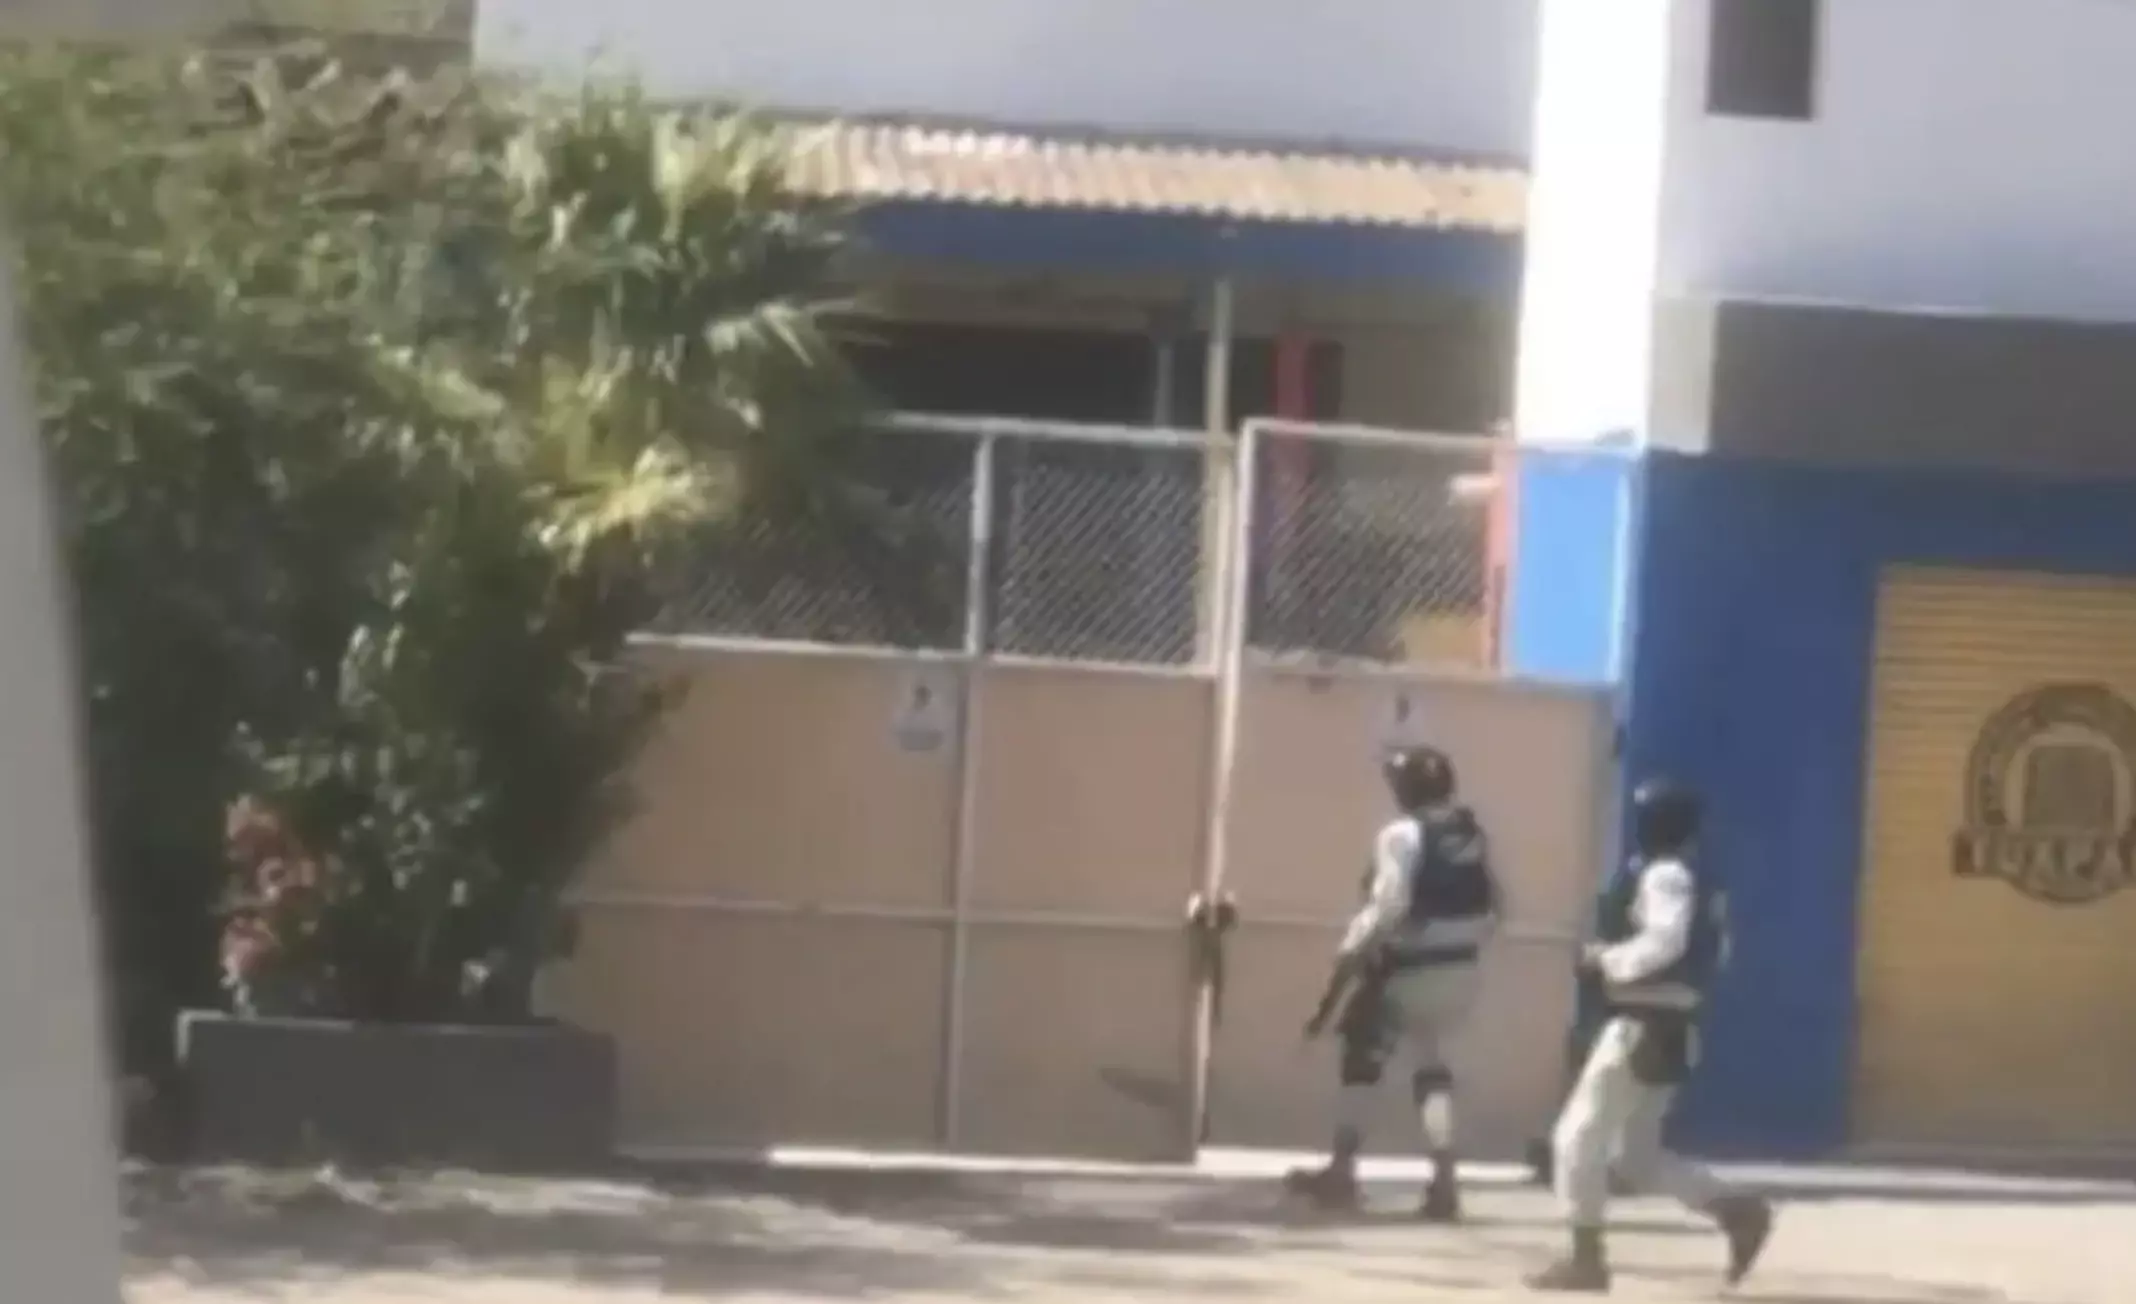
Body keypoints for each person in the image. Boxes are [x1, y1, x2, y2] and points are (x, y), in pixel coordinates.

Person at [1525, 779, 1773, 1294]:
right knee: (1636, 1159)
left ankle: (1586, 1258)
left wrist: (1607, 962)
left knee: (1575, 1139)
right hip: (1672, 1026)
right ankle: (1736, 1209)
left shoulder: (1664, 875)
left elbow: (1665, 941)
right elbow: (1714, 954)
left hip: (1640, 1025)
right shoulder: (1699, 878)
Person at [1285, 745, 1501, 1222]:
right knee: (1433, 1069)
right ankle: (1444, 1180)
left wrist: (1351, 952)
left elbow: (1389, 904)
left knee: (1361, 1060)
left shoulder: (1402, 834)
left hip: (1406, 966)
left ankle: (1342, 1171)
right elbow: (1494, 905)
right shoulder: (1469, 834)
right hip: (1460, 969)